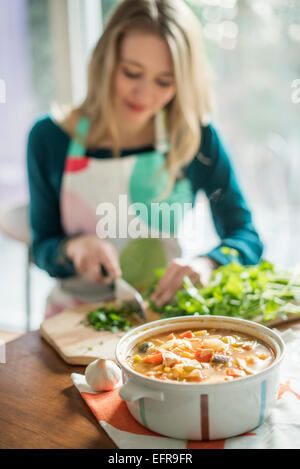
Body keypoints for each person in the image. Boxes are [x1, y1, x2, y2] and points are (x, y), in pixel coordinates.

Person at [27, 0, 263, 318]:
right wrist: (73, 247)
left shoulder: (196, 138)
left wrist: (208, 263)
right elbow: (42, 246)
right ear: (105, 62)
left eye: (164, 82)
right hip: (74, 320)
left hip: (162, 317)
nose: (144, 94)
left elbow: (246, 237)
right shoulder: (50, 138)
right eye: (131, 72)